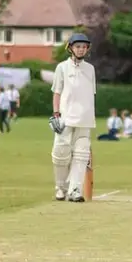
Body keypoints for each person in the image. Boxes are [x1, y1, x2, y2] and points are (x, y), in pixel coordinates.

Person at [49, 32, 96, 202]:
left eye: (84, 47)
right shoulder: (62, 67)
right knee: (61, 153)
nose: (81, 49)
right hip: (66, 117)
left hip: (85, 119)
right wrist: (56, 113)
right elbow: (57, 92)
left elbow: (91, 95)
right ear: (70, 48)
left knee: (81, 155)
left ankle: (75, 190)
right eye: (78, 46)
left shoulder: (90, 69)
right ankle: (60, 188)